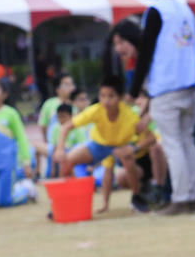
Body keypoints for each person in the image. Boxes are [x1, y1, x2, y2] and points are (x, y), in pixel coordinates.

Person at [128, 0, 195, 216]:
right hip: (190, 84)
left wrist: (135, 89)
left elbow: (145, 53)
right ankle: (192, 196)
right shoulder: (184, 8)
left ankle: (180, 198)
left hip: (166, 86)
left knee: (173, 144)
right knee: (188, 141)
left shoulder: (156, 10)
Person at [53, 76, 146, 210]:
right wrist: (60, 149)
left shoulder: (130, 116)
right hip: (98, 145)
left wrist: (133, 149)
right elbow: (66, 126)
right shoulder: (96, 110)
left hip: (121, 146)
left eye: (111, 96)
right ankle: (66, 201)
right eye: (102, 96)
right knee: (67, 161)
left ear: (120, 97)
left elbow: (150, 138)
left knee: (128, 158)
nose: (106, 101)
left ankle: (137, 197)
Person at [0, 79, 37, 208]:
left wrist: (26, 162)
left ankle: (26, 190)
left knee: (4, 201)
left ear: (4, 94)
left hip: (7, 164)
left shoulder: (11, 113)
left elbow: (21, 138)